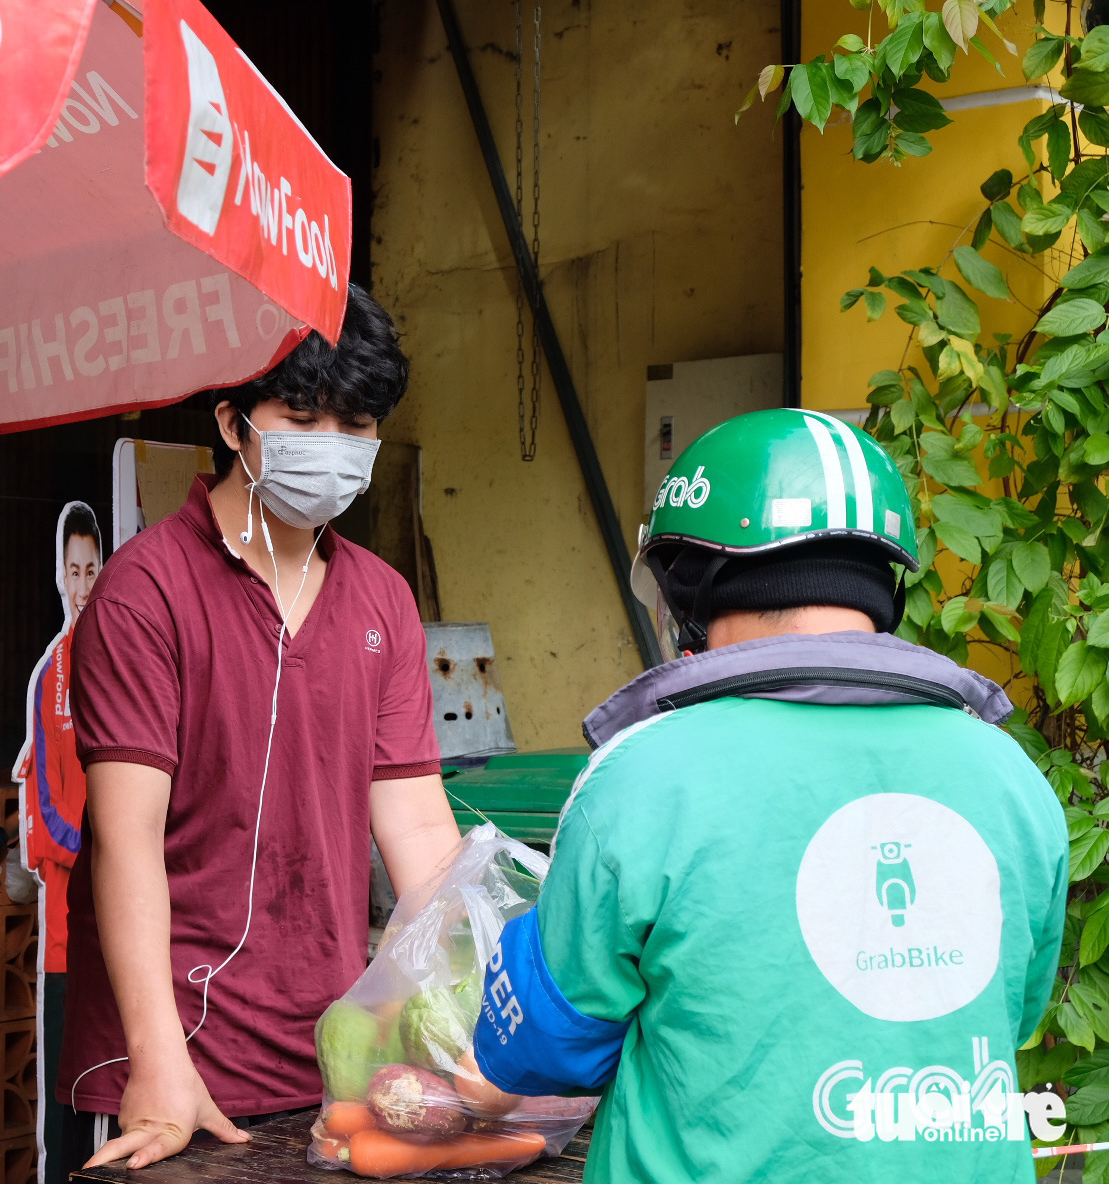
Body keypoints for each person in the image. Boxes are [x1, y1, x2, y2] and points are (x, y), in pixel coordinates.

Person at [470, 408, 1068, 1182]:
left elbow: (540, 1050)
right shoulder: (1012, 775)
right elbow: (1005, 1016)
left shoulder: (645, 774)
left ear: (690, 587)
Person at [59, 285, 464, 1172]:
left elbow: (422, 831)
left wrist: (457, 1013)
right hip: (172, 1066)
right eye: (303, 418)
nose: (332, 451)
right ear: (234, 423)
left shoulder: (382, 600)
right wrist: (159, 1058)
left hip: (336, 1060)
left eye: (356, 426)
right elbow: (125, 842)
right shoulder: (146, 591)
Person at [15, 501, 104, 1184]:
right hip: (70, 922)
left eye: (92, 569)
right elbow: (47, 802)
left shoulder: (127, 660)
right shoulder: (53, 674)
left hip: (131, 922)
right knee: (66, 1104)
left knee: (120, 1088)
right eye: (72, 571)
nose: (82, 584)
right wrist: (109, 853)